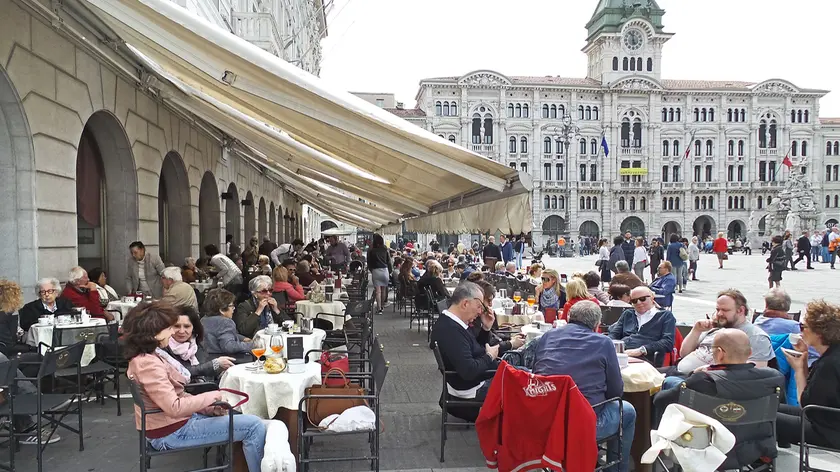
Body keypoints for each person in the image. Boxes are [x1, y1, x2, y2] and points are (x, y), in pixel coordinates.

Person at [123, 301, 266, 471]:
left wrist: (208, 408)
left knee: (248, 422)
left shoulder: (147, 357)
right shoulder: (149, 363)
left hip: (171, 425)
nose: (173, 331)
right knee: (254, 425)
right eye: (169, 327)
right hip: (171, 433)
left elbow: (176, 396)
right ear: (154, 332)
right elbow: (174, 407)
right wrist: (215, 395)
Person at [654, 329, 784, 465]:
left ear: (720, 353)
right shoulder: (774, 378)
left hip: (705, 451)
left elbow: (660, 400)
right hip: (753, 449)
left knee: (671, 383)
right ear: (750, 353)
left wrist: (693, 374)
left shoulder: (703, 381)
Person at [533, 301, 635, 472]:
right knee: (628, 411)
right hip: (581, 426)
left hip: (544, 420)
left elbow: (537, 373)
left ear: (568, 317)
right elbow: (615, 391)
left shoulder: (547, 336)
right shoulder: (604, 343)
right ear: (596, 325)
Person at [661, 289, 774, 389]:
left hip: (707, 384)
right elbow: (684, 353)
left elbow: (755, 374)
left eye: (725, 310)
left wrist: (710, 370)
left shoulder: (756, 336)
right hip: (680, 371)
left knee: (658, 392)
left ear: (740, 311)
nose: (719, 314)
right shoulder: (716, 327)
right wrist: (696, 330)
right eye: (717, 309)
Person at [776, 299, 840, 450]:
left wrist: (799, 369)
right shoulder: (832, 355)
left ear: (818, 333)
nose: (800, 331)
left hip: (829, 431)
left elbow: (806, 405)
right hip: (829, 419)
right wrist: (803, 360)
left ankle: (763, 458)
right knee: (770, 407)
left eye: (803, 327)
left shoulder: (828, 365)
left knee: (763, 417)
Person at [429, 282, 499, 402]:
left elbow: (474, 348)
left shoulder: (454, 323)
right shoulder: (450, 330)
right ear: (465, 304)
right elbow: (469, 371)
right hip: (472, 391)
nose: (481, 311)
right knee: (529, 386)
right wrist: (489, 356)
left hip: (474, 383)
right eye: (479, 306)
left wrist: (485, 329)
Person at [609, 286, 676, 366]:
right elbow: (613, 334)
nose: (638, 303)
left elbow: (668, 342)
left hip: (646, 359)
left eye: (642, 299)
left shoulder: (665, 316)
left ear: (652, 298)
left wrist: (641, 350)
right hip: (621, 356)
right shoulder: (628, 314)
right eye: (634, 301)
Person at [166, 306, 234, 382]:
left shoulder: (197, 343)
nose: (182, 331)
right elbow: (180, 372)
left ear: (194, 328)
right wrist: (214, 364)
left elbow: (204, 368)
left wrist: (221, 371)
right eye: (177, 326)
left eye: (187, 326)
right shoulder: (163, 346)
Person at [470, 280, 525, 357]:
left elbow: (491, 335)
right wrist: (511, 343)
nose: (491, 304)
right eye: (489, 300)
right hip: (498, 359)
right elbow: (486, 347)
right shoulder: (471, 320)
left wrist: (510, 338)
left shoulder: (481, 317)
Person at [200, 289, 253, 357]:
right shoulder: (226, 322)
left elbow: (221, 334)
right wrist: (253, 345)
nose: (234, 308)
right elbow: (229, 347)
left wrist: (243, 339)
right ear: (222, 310)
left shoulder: (204, 319)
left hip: (207, 359)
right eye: (231, 306)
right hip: (224, 361)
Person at [367, 234, 392, 314]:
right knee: (383, 290)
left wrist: (371, 270)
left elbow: (369, 262)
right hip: (385, 270)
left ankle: (379, 308)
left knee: (378, 291)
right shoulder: (385, 249)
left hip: (376, 271)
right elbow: (389, 261)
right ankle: (382, 306)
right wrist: (390, 271)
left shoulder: (371, 250)